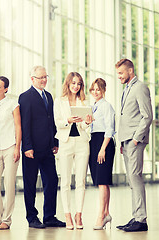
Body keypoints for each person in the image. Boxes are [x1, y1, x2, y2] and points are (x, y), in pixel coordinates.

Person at [18, 66, 65, 229]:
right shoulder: (25, 97)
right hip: (32, 149)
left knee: (51, 181)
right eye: (40, 78)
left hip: (47, 147)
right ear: (32, 79)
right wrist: (27, 147)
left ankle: (50, 216)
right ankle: (32, 217)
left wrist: (55, 142)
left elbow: (50, 120)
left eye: (46, 76)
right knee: (30, 184)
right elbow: (25, 124)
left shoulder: (49, 96)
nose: (44, 80)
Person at [115, 59, 153, 232]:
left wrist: (136, 138)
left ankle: (141, 220)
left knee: (135, 178)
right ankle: (136, 216)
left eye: (121, 73)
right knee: (132, 179)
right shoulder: (128, 88)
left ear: (130, 71)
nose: (119, 76)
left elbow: (147, 116)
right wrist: (124, 141)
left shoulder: (140, 87)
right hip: (127, 141)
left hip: (135, 140)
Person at [54, 72, 92, 230]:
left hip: (82, 143)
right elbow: (57, 122)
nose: (76, 86)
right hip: (65, 142)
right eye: (73, 83)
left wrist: (87, 122)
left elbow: (83, 126)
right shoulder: (59, 101)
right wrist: (67, 121)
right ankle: (68, 215)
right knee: (65, 181)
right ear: (68, 84)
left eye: (79, 83)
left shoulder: (84, 101)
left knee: (81, 181)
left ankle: (79, 214)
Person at [0, 76, 22, 230]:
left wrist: (17, 148)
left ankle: (6, 220)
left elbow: (18, 126)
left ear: (6, 89)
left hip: (10, 147)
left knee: (9, 183)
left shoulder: (13, 104)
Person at [88, 78, 116, 230]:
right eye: (93, 89)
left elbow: (110, 129)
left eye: (98, 89)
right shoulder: (93, 107)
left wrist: (103, 148)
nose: (95, 92)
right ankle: (106, 213)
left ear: (104, 90)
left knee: (103, 181)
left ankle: (101, 216)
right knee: (101, 181)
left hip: (103, 142)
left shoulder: (107, 107)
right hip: (94, 141)